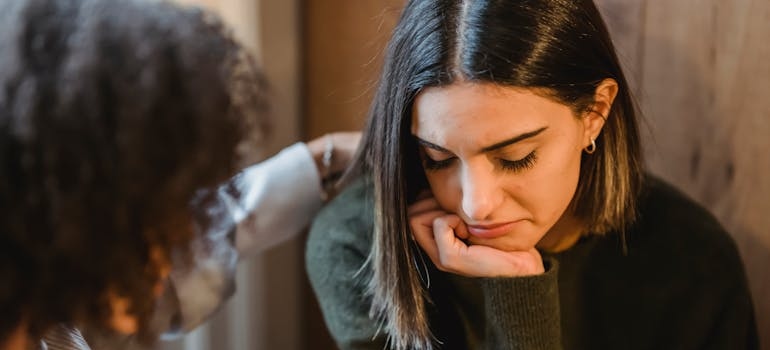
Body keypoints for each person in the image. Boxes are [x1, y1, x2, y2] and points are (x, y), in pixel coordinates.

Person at [306, 0, 759, 349]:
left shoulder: (692, 261)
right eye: (438, 159)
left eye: (516, 157)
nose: (476, 205)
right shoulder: (360, 246)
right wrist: (518, 291)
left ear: (595, 113)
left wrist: (519, 292)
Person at [0, 0, 359, 349]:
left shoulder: (59, 295)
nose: (179, 250)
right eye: (156, 230)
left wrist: (325, 158)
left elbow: (220, 228)